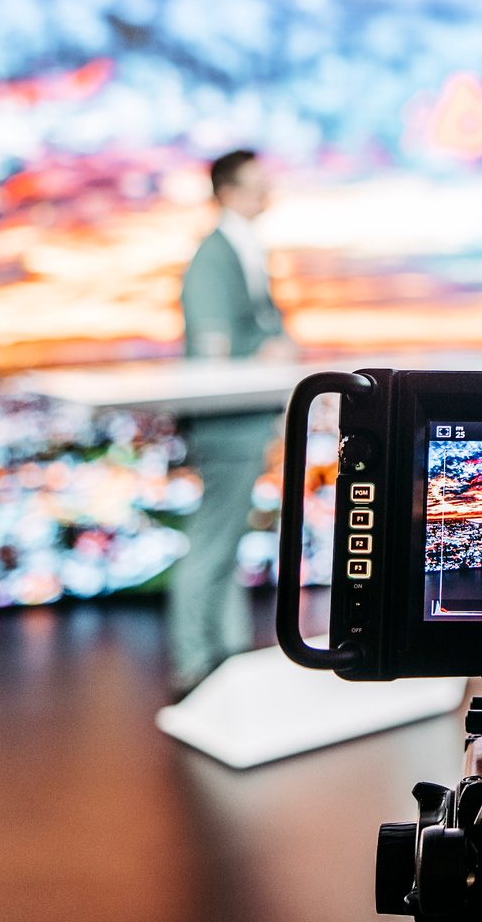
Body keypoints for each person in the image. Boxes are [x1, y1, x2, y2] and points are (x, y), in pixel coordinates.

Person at [171, 149, 294, 699]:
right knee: (214, 540)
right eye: (255, 183)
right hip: (227, 423)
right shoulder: (216, 255)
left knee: (223, 540)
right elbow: (212, 350)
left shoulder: (238, 248)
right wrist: (262, 352)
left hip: (242, 421)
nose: (266, 192)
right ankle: (196, 660)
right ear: (228, 191)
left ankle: (220, 655)